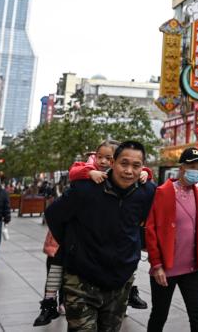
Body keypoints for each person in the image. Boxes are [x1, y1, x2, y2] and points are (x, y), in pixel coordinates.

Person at [45, 141, 155, 332]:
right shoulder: (85, 188)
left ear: (143, 168)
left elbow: (149, 223)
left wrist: (135, 247)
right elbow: (54, 215)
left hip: (120, 281)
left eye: (136, 166)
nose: (129, 171)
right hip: (81, 280)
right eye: (124, 163)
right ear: (113, 163)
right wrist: (73, 245)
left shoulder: (146, 192)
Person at [33, 140, 118, 327]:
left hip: (97, 246)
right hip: (69, 236)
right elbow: (74, 173)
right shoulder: (86, 171)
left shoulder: (120, 179)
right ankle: (49, 302)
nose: (103, 161)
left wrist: (145, 172)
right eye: (100, 157)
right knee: (57, 265)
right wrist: (90, 172)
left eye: (109, 158)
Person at [145, 147, 198, 332]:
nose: (196, 171)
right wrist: (156, 265)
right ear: (182, 167)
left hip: (193, 268)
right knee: (159, 314)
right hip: (166, 269)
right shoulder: (163, 192)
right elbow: (150, 230)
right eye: (192, 166)